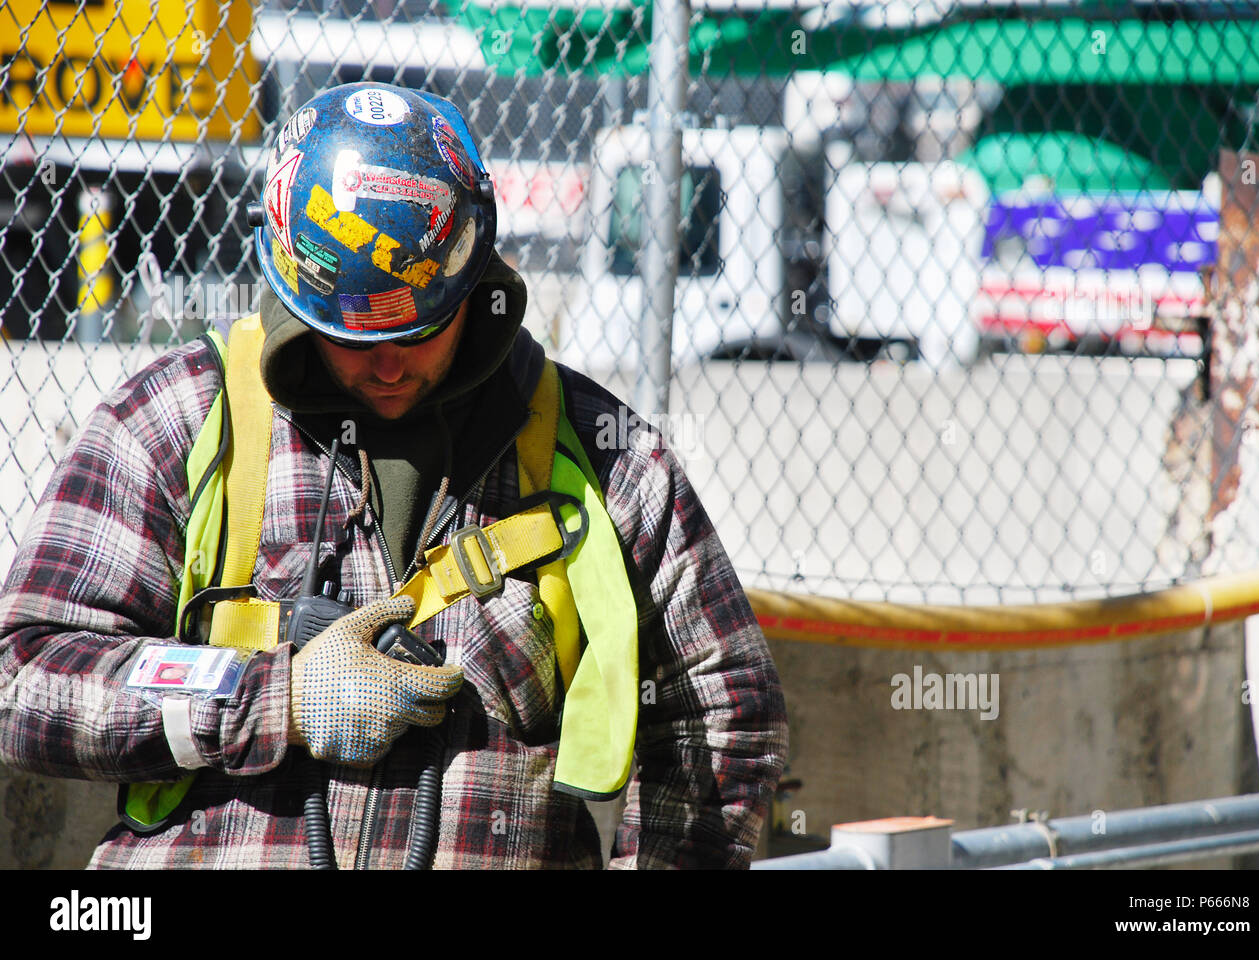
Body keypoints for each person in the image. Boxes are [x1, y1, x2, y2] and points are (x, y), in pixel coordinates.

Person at [0, 82, 788, 869]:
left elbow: (724, 712)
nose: (385, 364)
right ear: (292, 289)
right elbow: (23, 677)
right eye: (350, 333)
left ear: (472, 285)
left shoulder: (603, 457)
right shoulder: (177, 420)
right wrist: (278, 699)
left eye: (418, 328)